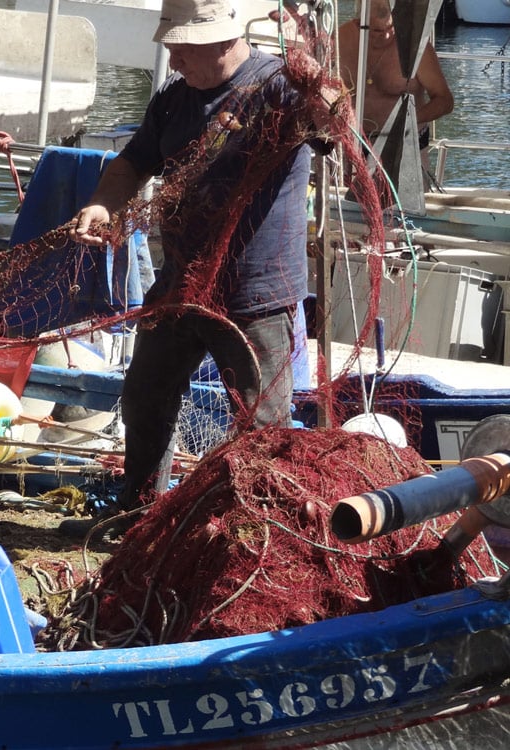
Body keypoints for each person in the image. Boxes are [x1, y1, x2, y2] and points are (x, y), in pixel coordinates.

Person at [62, 0, 342, 533]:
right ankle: (138, 516)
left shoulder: (281, 86)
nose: (173, 55)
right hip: (180, 285)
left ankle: (252, 533)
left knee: (260, 423)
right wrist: (103, 203)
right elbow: (132, 162)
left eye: (183, 45)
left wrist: (314, 71)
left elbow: (333, 125)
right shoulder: (173, 98)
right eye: (170, 43)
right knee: (145, 398)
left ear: (224, 39)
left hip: (255, 297)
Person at [337, 0, 453, 156]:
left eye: (391, 27)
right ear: (359, 23)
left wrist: (410, 121)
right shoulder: (341, 39)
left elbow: (445, 101)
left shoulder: (416, 46)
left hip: (406, 142)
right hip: (356, 141)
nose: (385, 33)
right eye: (376, 30)